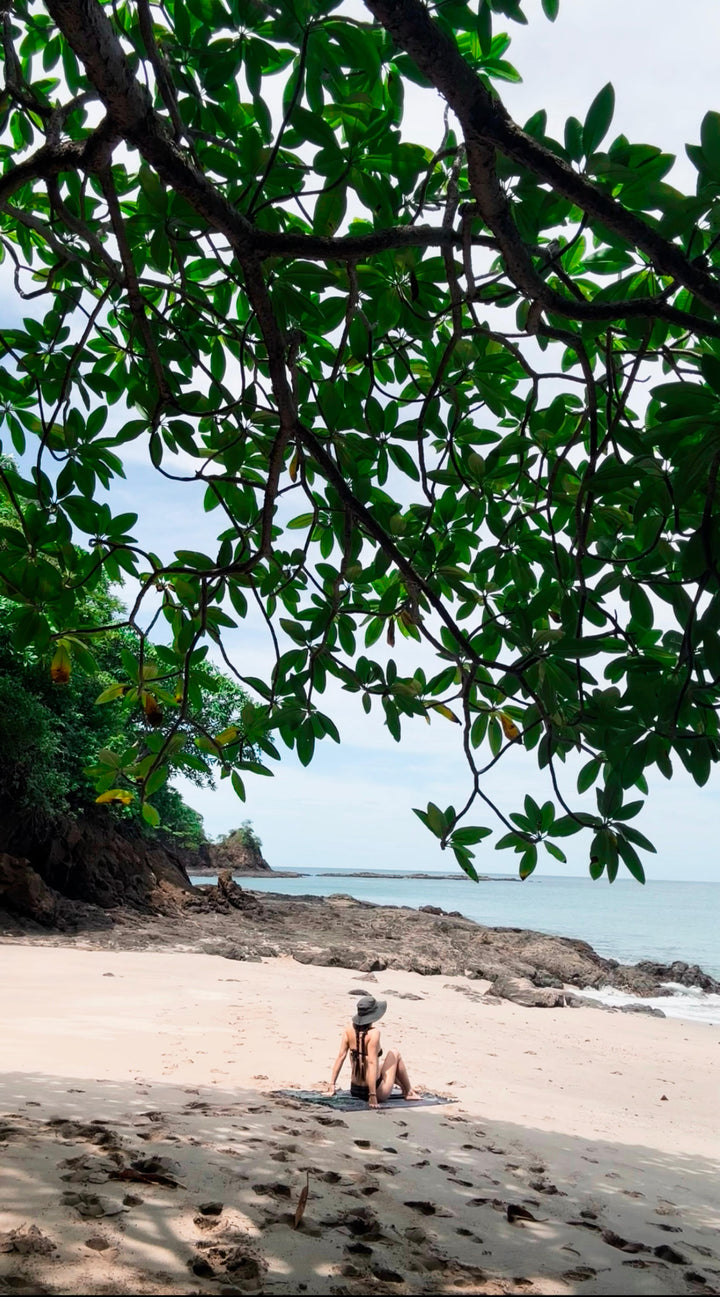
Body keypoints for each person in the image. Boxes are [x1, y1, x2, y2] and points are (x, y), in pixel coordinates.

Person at [325, 995, 420, 1109]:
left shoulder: (348, 1029)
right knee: (394, 1053)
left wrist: (332, 1084)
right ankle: (409, 1091)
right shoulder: (373, 1033)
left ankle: (405, 1088)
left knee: (384, 1066)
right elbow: (371, 1063)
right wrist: (372, 1095)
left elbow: (341, 1056)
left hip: (355, 1090)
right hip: (374, 1091)